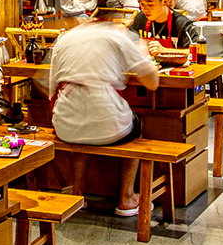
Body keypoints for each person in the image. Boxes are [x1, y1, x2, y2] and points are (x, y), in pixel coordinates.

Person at [39, 16, 159, 217]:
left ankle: (76, 191)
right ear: (111, 23)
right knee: (136, 125)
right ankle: (127, 197)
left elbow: (50, 88)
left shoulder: (65, 38)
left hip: (66, 125)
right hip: (108, 124)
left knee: (82, 128)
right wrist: (142, 53)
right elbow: (152, 82)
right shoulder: (117, 36)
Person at [128, 0, 204, 52]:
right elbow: (128, 44)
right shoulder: (141, 18)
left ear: (165, 2)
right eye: (142, 4)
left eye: (150, 5)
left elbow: (197, 51)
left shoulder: (183, 25)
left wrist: (165, 50)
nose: (145, 9)